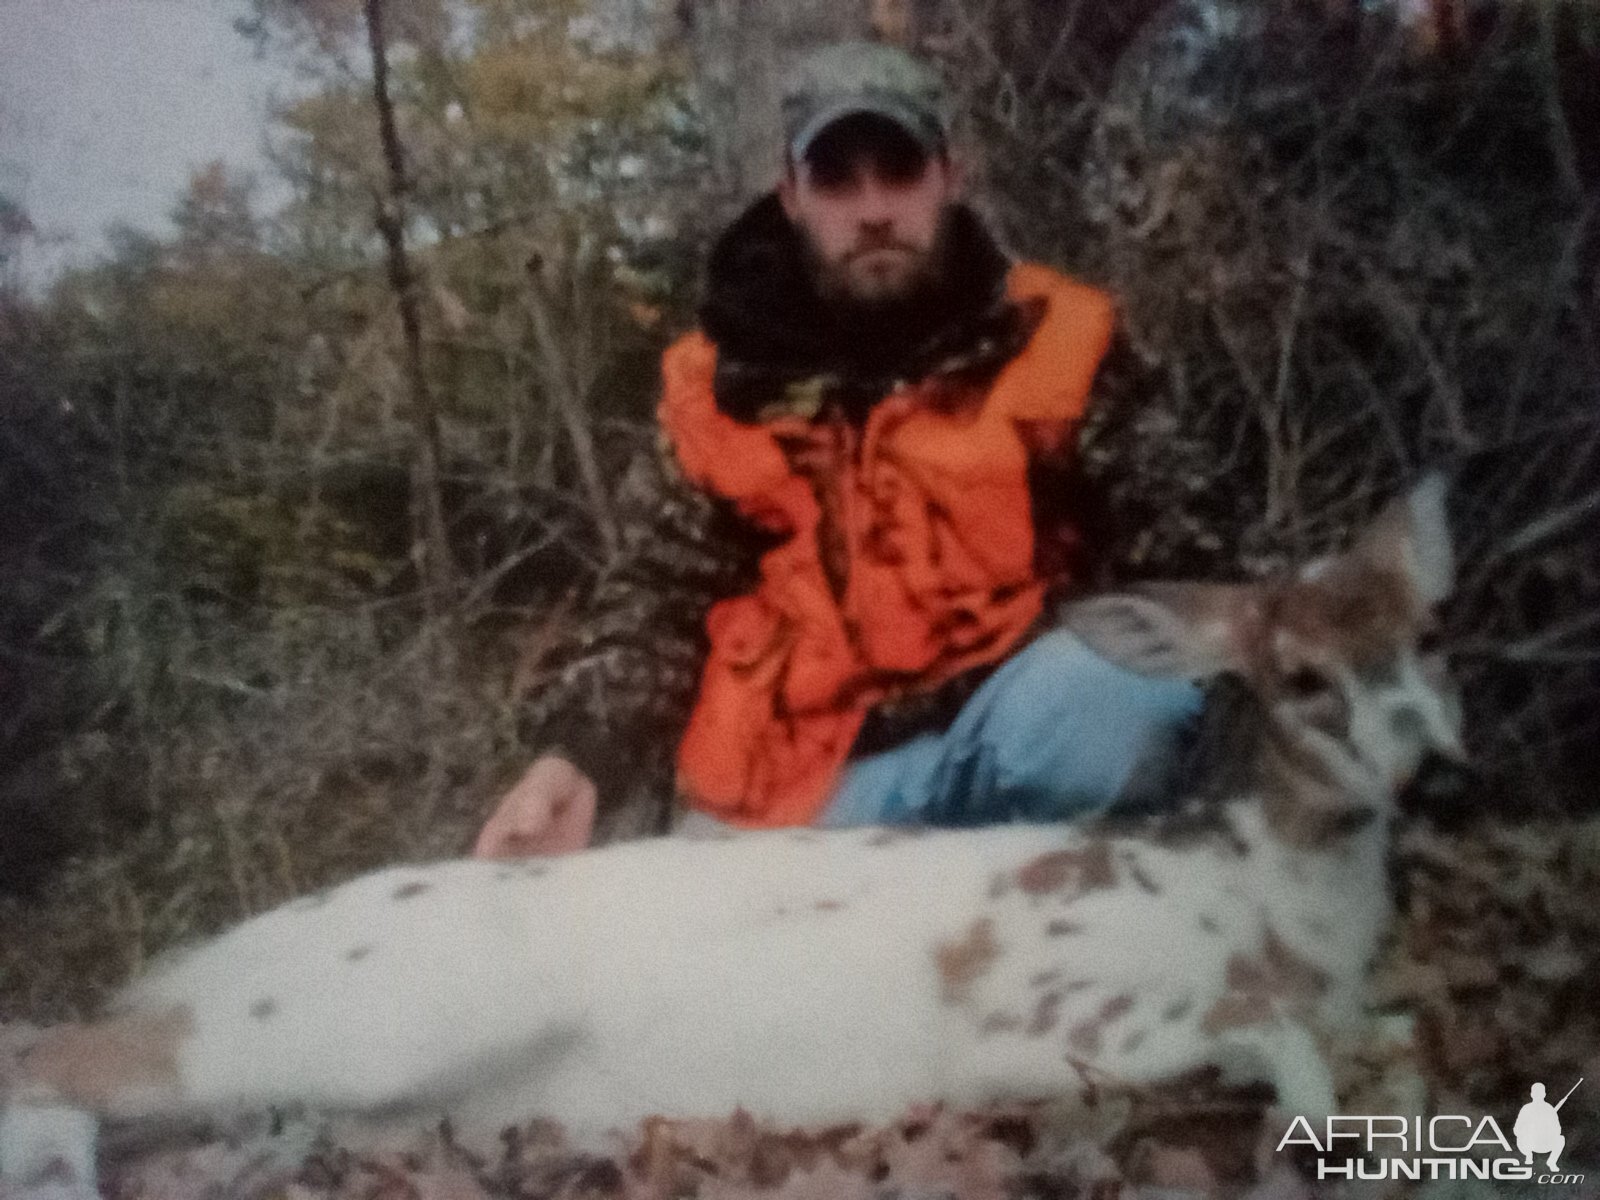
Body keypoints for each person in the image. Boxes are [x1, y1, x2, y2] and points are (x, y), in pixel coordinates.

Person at [474, 40, 1202, 858]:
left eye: (899, 172)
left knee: (1118, 699)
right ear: (791, 194)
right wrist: (572, 761)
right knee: (708, 941)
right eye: (837, 180)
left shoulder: (1061, 343)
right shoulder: (719, 387)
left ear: (949, 177)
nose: (873, 209)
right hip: (803, 789)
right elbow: (657, 600)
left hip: (1012, 736)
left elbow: (1189, 564)